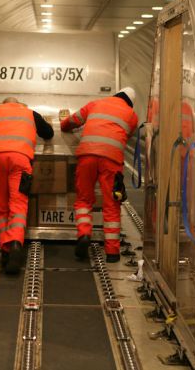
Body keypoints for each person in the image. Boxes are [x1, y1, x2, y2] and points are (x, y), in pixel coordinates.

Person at [60, 87, 139, 262]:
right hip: (111, 159)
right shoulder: (132, 115)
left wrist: (63, 125)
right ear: (130, 102)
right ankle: (112, 253)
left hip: (87, 155)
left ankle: (84, 235)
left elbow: (71, 121)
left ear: (116, 94)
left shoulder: (96, 103)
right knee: (112, 203)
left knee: (83, 199)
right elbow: (127, 134)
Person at [0, 97, 54, 274]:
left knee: (2, 206)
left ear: (1, 104)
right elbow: (48, 133)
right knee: (18, 204)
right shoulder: (30, 113)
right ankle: (16, 243)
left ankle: (6, 248)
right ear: (20, 104)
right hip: (21, 159)